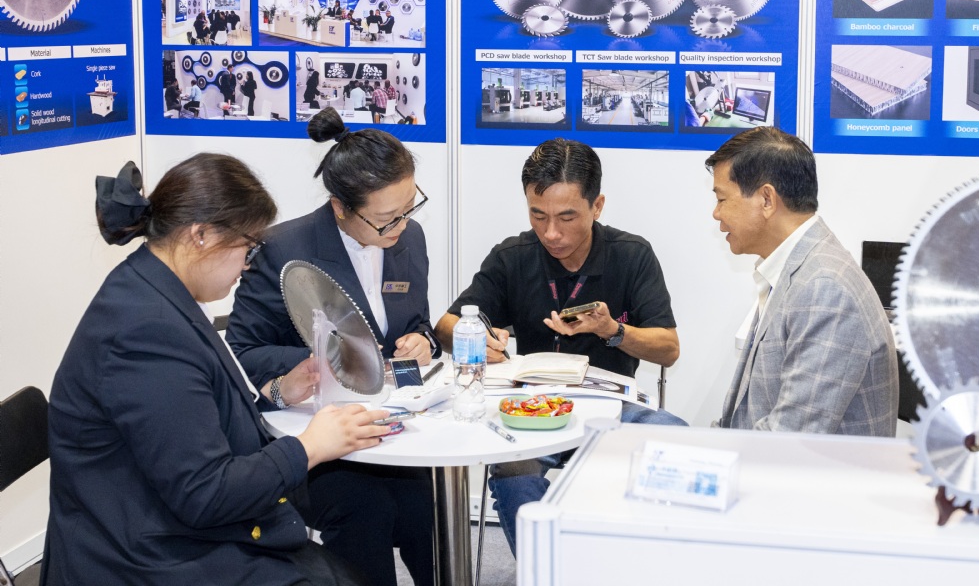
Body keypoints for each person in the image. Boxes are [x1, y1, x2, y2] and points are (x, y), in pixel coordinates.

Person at [42, 155, 391, 585]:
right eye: (248, 247)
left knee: (363, 506)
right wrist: (308, 448)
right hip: (146, 555)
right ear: (201, 235)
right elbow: (204, 493)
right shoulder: (144, 331)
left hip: (165, 519)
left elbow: (195, 415)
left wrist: (280, 391)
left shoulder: (152, 288)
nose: (248, 264)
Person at [436, 138, 685, 551]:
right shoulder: (512, 256)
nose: (551, 233)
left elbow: (668, 348)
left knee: (675, 438)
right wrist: (478, 337)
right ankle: (546, 569)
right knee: (513, 471)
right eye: (538, 215)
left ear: (597, 206)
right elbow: (447, 325)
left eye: (567, 217)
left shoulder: (632, 255)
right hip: (531, 409)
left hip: (611, 407)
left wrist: (613, 330)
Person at [226, 109, 438, 586]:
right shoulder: (284, 249)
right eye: (385, 219)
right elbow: (242, 352)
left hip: (390, 422)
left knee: (429, 503)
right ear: (340, 207)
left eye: (410, 207)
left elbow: (414, 321)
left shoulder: (409, 236)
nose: (401, 224)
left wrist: (422, 341)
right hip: (312, 436)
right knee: (366, 510)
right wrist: (323, 361)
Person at [706, 127, 898, 435]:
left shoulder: (825, 288)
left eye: (722, 199)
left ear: (767, 199)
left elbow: (792, 437)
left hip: (801, 465)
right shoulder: (795, 268)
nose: (716, 213)